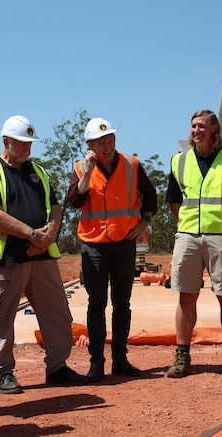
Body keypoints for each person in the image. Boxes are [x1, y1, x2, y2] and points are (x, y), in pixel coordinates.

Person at [0, 115, 88, 393]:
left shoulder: (37, 171)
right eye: (22, 143)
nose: (28, 148)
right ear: (6, 142)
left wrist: (48, 235)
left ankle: (57, 366)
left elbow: (55, 207)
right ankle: (3, 373)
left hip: (41, 256)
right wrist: (31, 234)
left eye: (30, 143)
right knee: (1, 317)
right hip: (8, 258)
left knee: (56, 312)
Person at [164, 109, 222, 379]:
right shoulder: (179, 161)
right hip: (188, 236)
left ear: (214, 129)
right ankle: (182, 356)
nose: (196, 131)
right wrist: (189, 226)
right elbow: (173, 202)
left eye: (201, 126)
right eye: (193, 126)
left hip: (221, 238)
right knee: (185, 297)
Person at [66, 117, 158, 382]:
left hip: (123, 245)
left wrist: (144, 222)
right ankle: (97, 363)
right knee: (96, 304)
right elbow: (74, 200)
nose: (108, 147)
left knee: (122, 303)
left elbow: (150, 194)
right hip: (93, 246)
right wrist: (86, 171)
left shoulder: (131, 164)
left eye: (111, 141)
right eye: (101, 143)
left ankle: (120, 359)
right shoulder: (80, 168)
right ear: (90, 145)